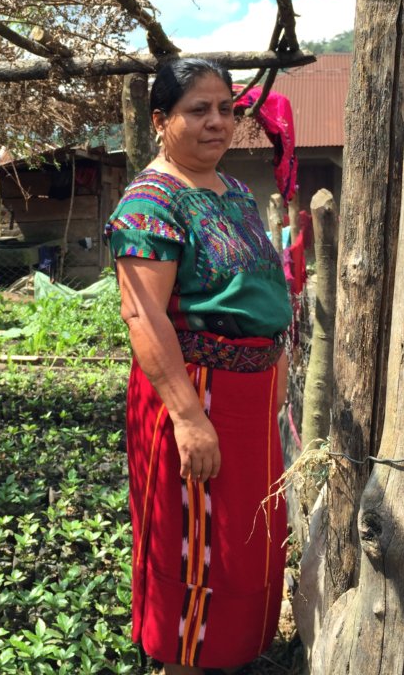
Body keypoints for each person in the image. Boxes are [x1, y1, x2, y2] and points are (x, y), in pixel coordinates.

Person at [104, 57, 293, 674]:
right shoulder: (149, 203)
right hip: (196, 392)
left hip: (250, 395)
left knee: (246, 542)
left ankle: (231, 657)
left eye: (226, 109)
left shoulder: (232, 191)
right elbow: (143, 315)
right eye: (198, 110)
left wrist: (275, 379)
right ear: (161, 120)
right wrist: (187, 418)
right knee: (195, 548)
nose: (217, 122)